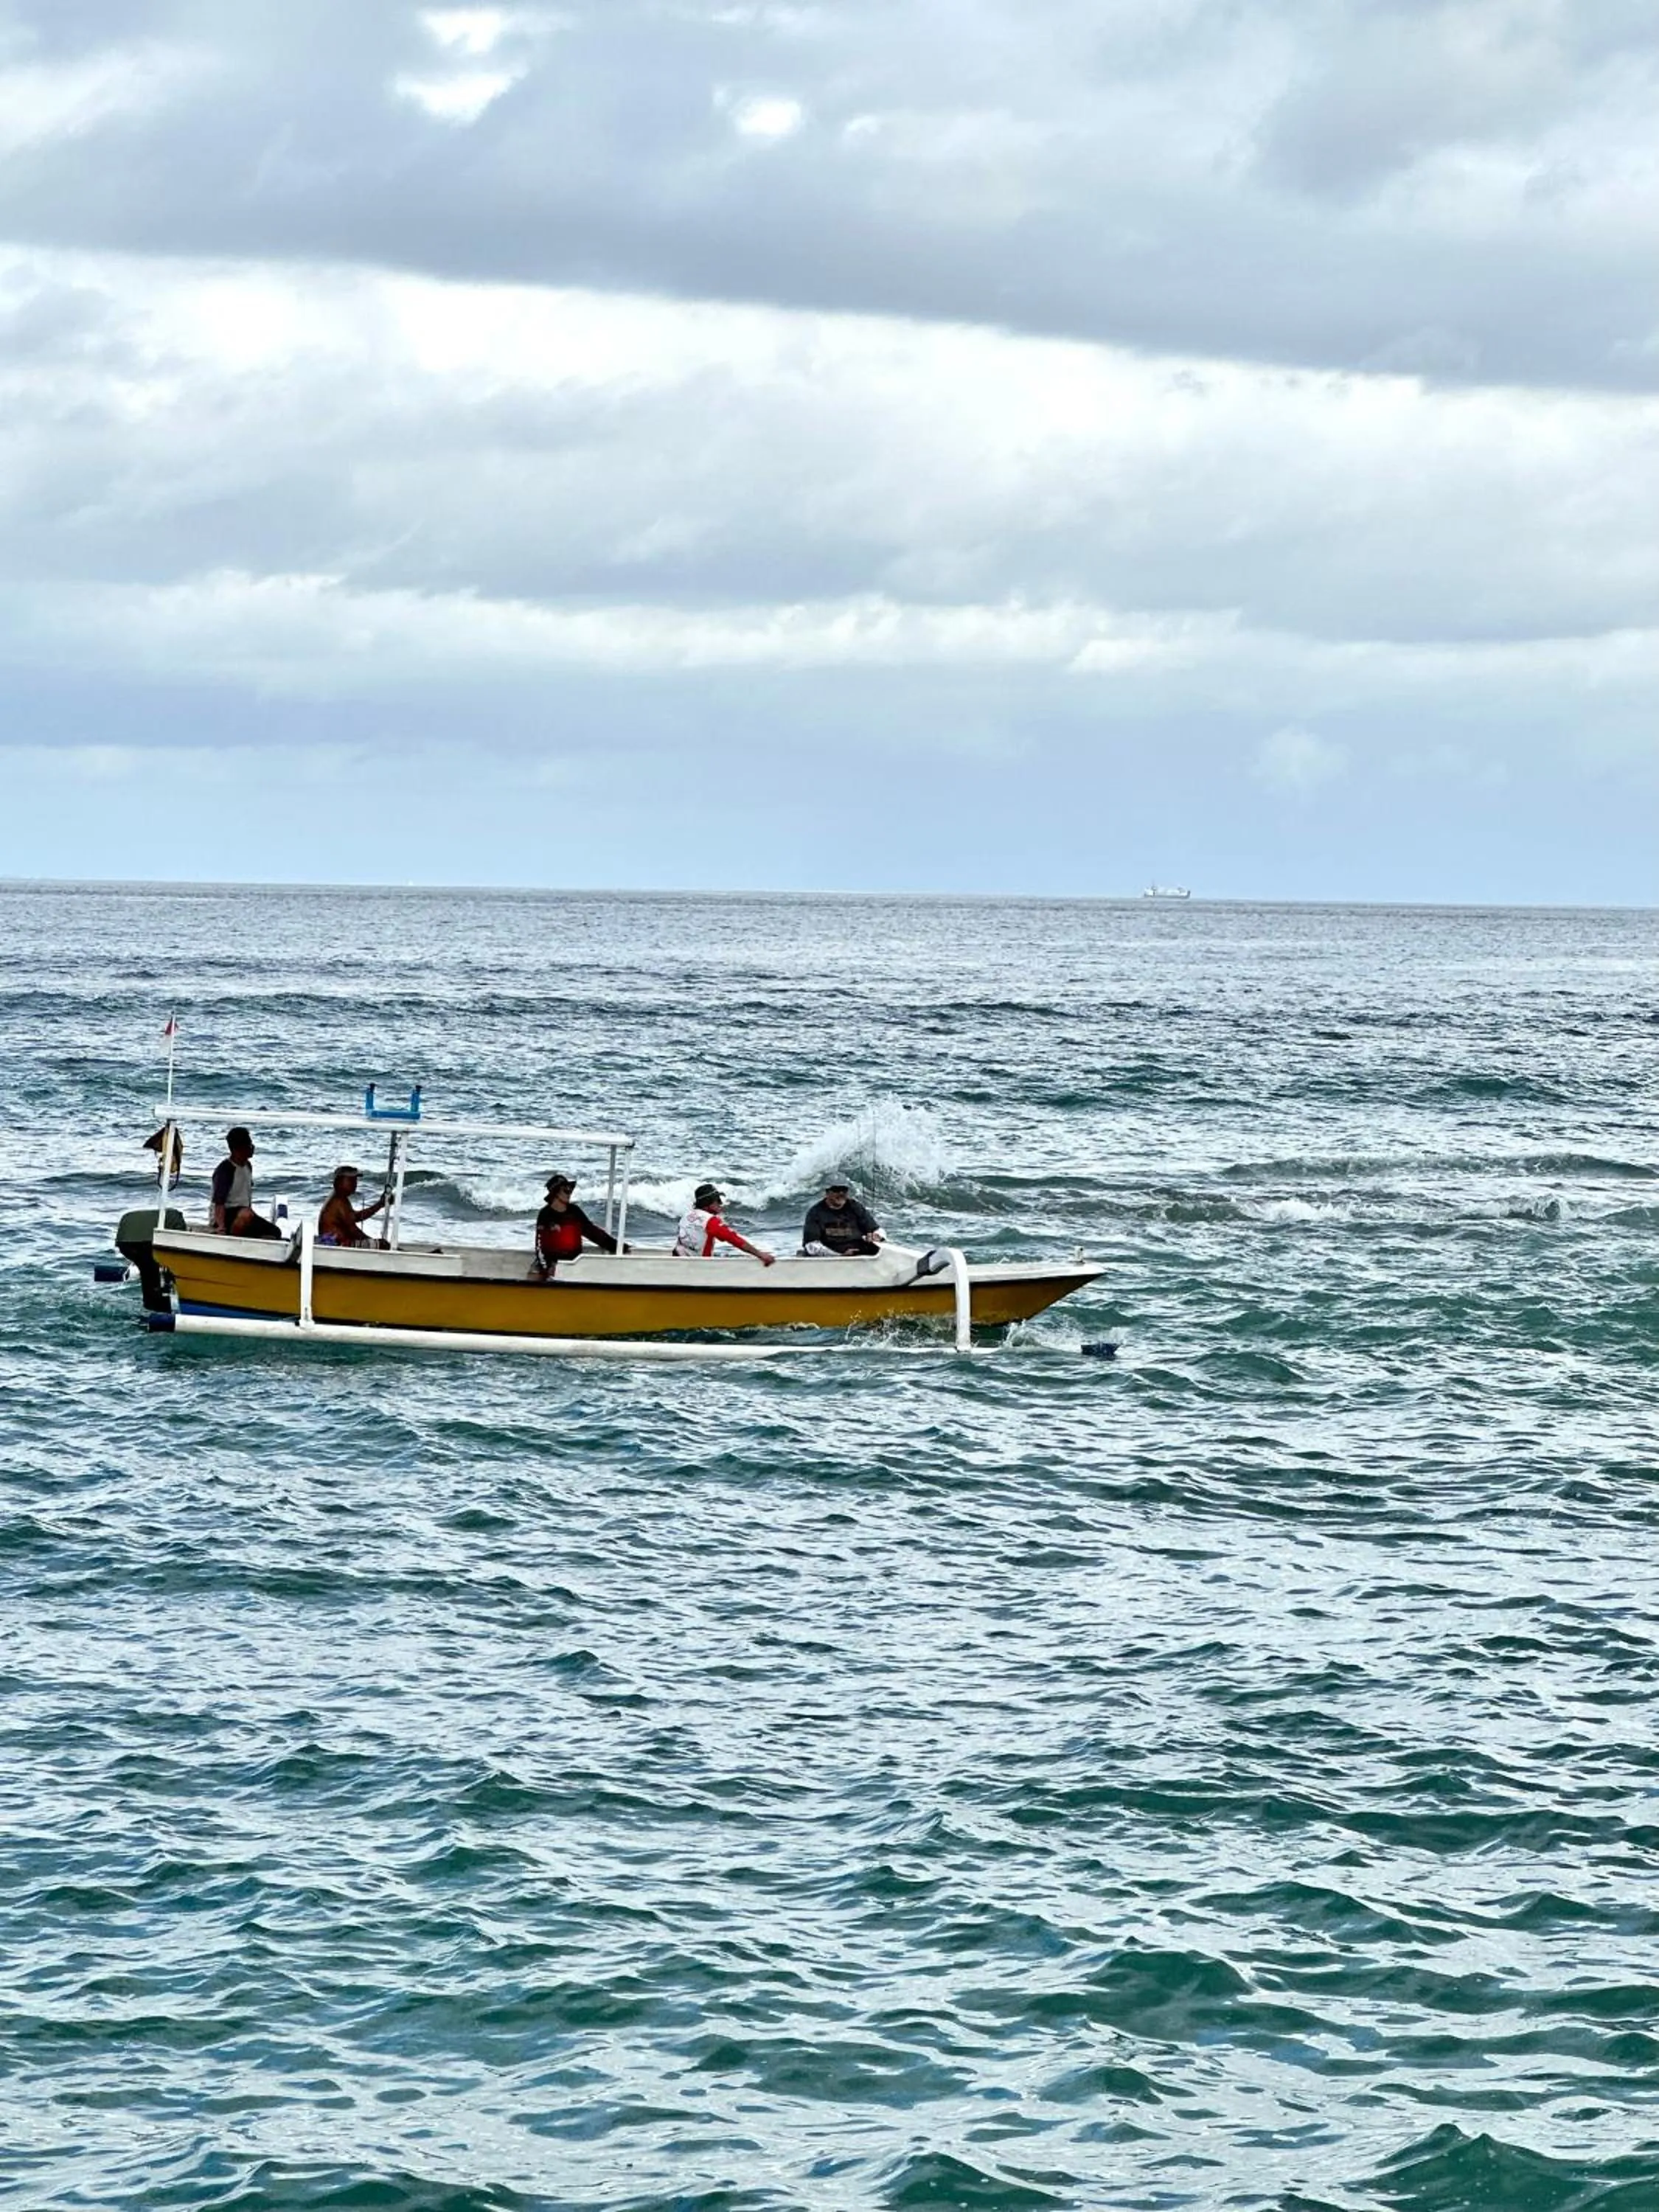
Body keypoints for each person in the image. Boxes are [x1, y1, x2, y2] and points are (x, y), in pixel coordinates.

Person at [532, 1174, 625, 1279]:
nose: (570, 1193)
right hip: (553, 1266)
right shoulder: (545, 1214)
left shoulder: (575, 1212)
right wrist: (547, 1269)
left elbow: (593, 1233)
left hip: (574, 1264)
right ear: (555, 1193)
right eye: (566, 1190)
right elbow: (539, 1246)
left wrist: (619, 1247)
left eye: (570, 1190)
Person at [674, 1182, 776, 1265]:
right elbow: (735, 1239)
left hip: (680, 1260)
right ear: (707, 1203)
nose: (721, 1204)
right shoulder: (710, 1221)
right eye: (717, 1200)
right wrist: (760, 1255)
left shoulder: (686, 1215)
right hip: (700, 1267)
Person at [210, 1127, 282, 1238]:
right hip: (227, 1215)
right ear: (238, 1148)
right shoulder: (226, 1169)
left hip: (245, 1213)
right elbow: (219, 1202)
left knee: (275, 1232)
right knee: (246, 1214)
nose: (252, 1148)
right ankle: (233, 1239)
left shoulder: (248, 1166)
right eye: (249, 1145)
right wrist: (221, 1227)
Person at [802, 1178, 883, 1256]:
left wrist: (877, 1236)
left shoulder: (855, 1207)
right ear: (827, 1192)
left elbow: (877, 1230)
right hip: (832, 1260)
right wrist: (839, 1256)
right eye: (836, 1190)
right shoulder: (815, 1213)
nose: (841, 1193)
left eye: (844, 1190)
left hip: (860, 1255)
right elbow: (811, 1246)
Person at [318, 1165, 389, 1248]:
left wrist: (379, 1205)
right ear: (340, 1181)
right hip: (336, 1244)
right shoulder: (339, 1201)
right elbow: (353, 1230)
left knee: (379, 1244)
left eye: (355, 1180)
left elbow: (354, 1217)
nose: (355, 1184)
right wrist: (374, 1242)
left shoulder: (339, 1197)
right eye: (351, 1180)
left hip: (334, 1242)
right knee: (383, 1245)